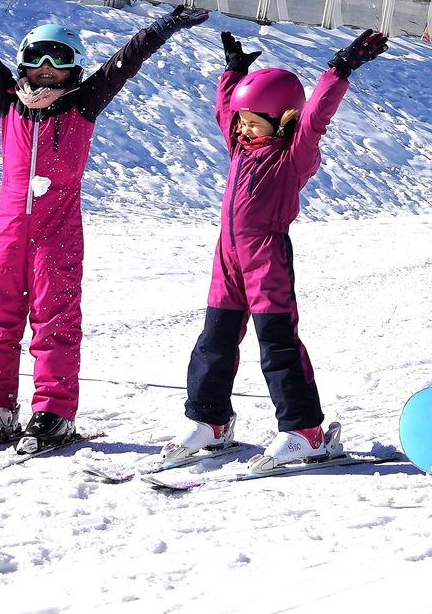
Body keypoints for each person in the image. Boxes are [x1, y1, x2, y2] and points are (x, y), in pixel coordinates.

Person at [0, 0, 209, 453]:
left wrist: (165, 25)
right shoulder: (8, 100)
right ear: (24, 62)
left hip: (58, 231)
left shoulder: (82, 105)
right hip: (9, 228)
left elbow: (125, 62)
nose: (47, 72)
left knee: (56, 320)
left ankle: (53, 411)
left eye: (59, 61)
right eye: (39, 60)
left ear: (74, 69)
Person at [165, 27, 389, 468]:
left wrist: (339, 69)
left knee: (278, 343)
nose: (242, 128)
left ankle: (306, 431)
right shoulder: (240, 146)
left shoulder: (293, 155)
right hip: (227, 258)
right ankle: (209, 421)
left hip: (266, 256)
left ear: (281, 117)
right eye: (241, 121)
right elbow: (224, 110)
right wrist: (232, 72)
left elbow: (315, 118)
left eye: (253, 121)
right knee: (214, 339)